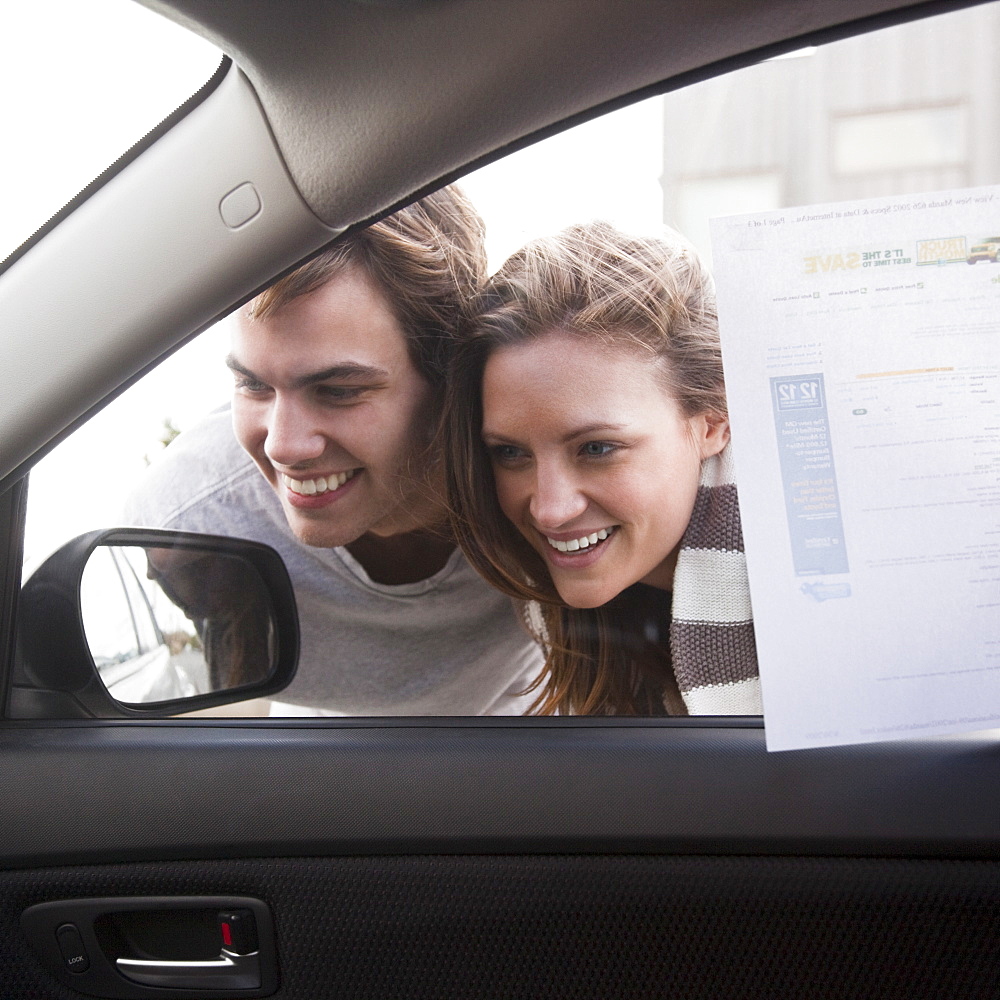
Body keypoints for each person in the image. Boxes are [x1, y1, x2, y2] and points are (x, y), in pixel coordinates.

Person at [124, 186, 544, 715]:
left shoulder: (542, 489)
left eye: (339, 391)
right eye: (253, 386)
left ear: (451, 380)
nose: (283, 445)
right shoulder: (188, 521)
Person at [444, 221, 761, 716]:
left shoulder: (823, 601)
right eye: (511, 454)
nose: (550, 511)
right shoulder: (563, 617)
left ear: (714, 423)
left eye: (596, 449)